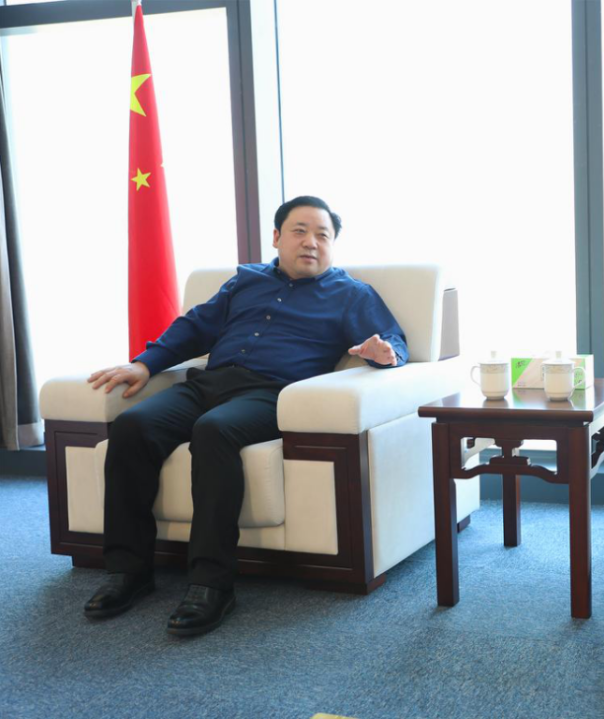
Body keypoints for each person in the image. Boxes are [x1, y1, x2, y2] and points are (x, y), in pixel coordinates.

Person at [82, 196, 407, 636]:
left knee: (213, 430)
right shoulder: (245, 281)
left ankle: (211, 584)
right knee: (133, 426)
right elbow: (195, 326)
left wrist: (383, 354)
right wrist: (144, 364)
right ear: (276, 237)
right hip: (207, 385)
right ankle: (128, 571)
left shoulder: (351, 294)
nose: (311, 242)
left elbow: (393, 343)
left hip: (272, 394)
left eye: (323, 235)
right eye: (299, 231)